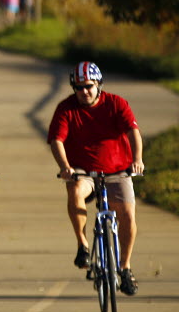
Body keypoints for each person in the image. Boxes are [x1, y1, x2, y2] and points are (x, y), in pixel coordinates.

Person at [47, 61, 144, 296]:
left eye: (88, 86)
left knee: (128, 215)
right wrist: (65, 167)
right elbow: (56, 140)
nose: (84, 92)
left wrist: (137, 159)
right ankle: (82, 244)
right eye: (78, 88)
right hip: (83, 171)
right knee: (75, 190)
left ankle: (125, 268)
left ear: (98, 84)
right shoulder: (66, 108)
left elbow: (133, 132)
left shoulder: (116, 104)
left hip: (118, 169)